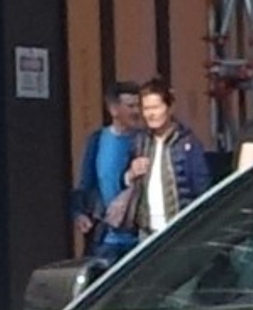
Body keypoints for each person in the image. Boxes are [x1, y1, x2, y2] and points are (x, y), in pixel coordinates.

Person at [119, 76, 211, 237]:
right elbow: (123, 180)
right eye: (146, 108)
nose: (151, 114)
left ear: (170, 108)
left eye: (156, 107)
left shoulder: (187, 143)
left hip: (179, 229)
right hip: (146, 230)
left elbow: (201, 187)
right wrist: (131, 174)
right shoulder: (140, 142)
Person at [73, 83, 139, 259]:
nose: (136, 111)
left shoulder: (143, 141)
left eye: (138, 105)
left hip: (137, 236)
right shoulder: (97, 141)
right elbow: (86, 181)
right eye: (130, 106)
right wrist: (80, 213)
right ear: (114, 110)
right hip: (105, 237)